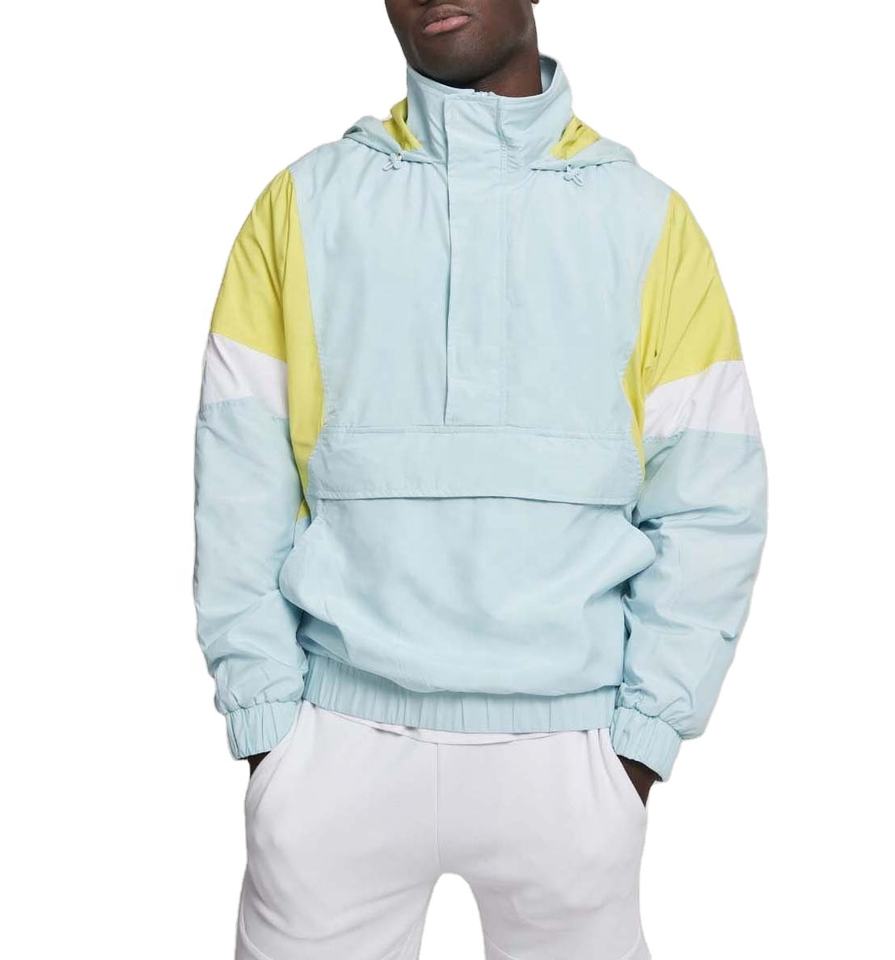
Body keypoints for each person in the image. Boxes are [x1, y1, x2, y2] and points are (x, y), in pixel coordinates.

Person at [192, 1, 768, 957]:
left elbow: (711, 494)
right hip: (337, 740)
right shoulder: (301, 205)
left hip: (572, 755)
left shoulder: (646, 221)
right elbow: (236, 478)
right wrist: (267, 731)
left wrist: (641, 742)